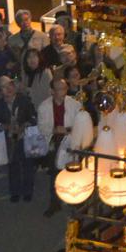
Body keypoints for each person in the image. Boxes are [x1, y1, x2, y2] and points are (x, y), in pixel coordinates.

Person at [38, 77, 81, 217]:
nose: (62, 92)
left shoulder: (75, 105)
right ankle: (55, 202)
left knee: (73, 172)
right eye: (59, 89)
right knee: (55, 173)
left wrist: (67, 130)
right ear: (52, 91)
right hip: (54, 141)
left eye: (64, 89)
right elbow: (42, 127)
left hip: (70, 141)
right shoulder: (44, 107)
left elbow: (81, 124)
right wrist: (55, 130)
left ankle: (75, 200)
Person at [0, 75, 37, 203]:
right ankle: (15, 191)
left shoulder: (24, 100)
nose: (8, 89)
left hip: (25, 138)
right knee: (13, 166)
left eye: (10, 85)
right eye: (4, 87)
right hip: (9, 140)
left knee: (28, 165)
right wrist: (6, 126)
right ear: (0, 92)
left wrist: (24, 126)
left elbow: (33, 117)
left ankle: (28, 191)